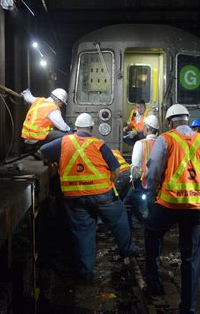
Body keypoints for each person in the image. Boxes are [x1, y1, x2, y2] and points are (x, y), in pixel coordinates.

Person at [39, 113, 135, 280]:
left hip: (74, 197)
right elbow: (116, 169)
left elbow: (42, 152)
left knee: (83, 234)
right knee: (119, 219)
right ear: (91, 129)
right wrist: (109, 182)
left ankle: (86, 273)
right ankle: (127, 251)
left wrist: (51, 162)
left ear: (76, 128)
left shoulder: (64, 141)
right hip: (102, 195)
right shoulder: (99, 144)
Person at [145, 104, 200, 313]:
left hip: (168, 204)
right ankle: (189, 308)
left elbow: (154, 173)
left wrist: (152, 194)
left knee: (152, 235)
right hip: (195, 208)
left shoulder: (166, 139)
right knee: (190, 258)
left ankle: (154, 285)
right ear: (188, 119)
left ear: (169, 122)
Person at [123, 114, 160, 228]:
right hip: (159, 185)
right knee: (153, 209)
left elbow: (135, 167)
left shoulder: (140, 144)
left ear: (147, 128)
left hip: (143, 184)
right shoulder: (162, 143)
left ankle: (130, 232)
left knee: (126, 205)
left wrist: (133, 180)